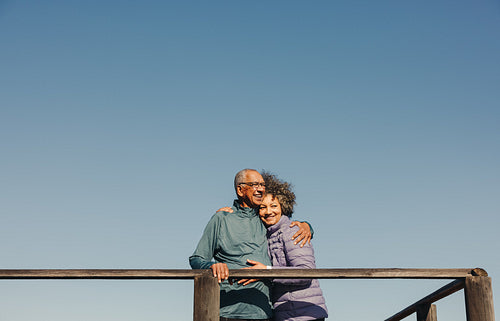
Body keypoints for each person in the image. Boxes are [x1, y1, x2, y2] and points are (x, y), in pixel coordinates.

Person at [189, 169, 312, 321]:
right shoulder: (221, 219)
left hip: (264, 312)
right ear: (240, 190)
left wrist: (307, 226)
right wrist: (211, 266)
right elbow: (196, 258)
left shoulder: (263, 218)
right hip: (228, 312)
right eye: (254, 185)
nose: (260, 189)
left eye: (262, 185)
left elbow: (283, 225)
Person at [243, 171, 328, 321]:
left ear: (283, 206)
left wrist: (266, 272)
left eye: (274, 205)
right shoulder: (267, 235)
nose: (268, 211)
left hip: (305, 314)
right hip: (285, 314)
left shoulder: (293, 231)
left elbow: (306, 272)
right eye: (262, 207)